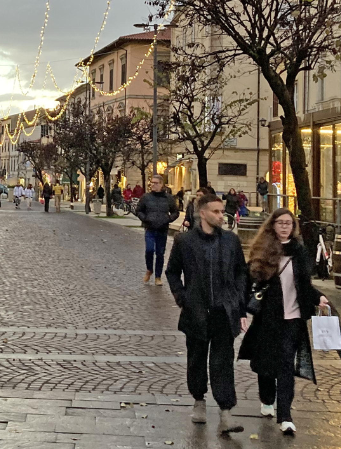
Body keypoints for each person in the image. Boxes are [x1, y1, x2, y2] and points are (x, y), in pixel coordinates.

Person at [239, 208, 329, 436]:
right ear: (273, 225)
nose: (284, 227)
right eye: (280, 223)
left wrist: (318, 297)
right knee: (266, 363)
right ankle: (267, 398)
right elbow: (249, 283)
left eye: (288, 223)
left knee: (286, 364)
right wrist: (241, 311)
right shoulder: (264, 250)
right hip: (268, 317)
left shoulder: (299, 251)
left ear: (293, 226)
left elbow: (304, 285)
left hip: (294, 318)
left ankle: (286, 416)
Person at [165, 193, 248, 434]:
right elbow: (172, 272)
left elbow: (241, 272)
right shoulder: (185, 241)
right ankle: (199, 400)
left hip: (224, 310)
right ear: (202, 213)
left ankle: (226, 412)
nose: (221, 216)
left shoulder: (231, 241)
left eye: (222, 212)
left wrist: (237, 300)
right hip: (196, 311)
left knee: (223, 362)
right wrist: (182, 298)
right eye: (216, 212)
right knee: (197, 358)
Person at [136, 174, 180, 285]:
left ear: (161, 184)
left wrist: (168, 219)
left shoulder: (168, 198)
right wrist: (144, 218)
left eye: (156, 183)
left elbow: (176, 212)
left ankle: (158, 276)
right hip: (150, 228)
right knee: (149, 250)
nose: (153, 185)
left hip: (162, 228)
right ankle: (149, 269)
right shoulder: (146, 197)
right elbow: (139, 210)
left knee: (160, 253)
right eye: (152, 182)